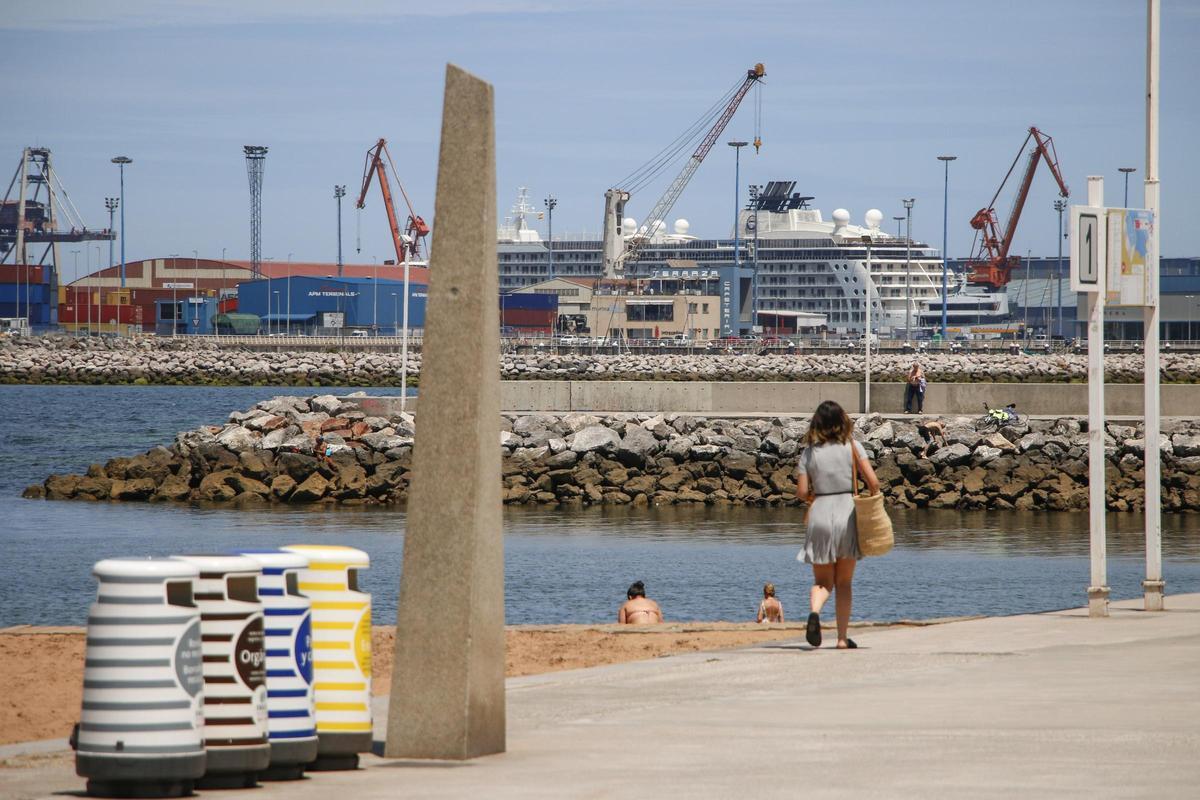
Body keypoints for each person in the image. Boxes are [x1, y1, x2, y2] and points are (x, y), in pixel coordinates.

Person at [795, 400, 881, 649]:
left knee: (822, 582)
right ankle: (842, 638)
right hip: (847, 510)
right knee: (844, 582)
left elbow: (801, 492)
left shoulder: (809, 452)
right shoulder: (853, 446)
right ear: (843, 421)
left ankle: (814, 612)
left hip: (819, 512)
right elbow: (873, 482)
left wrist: (815, 495)